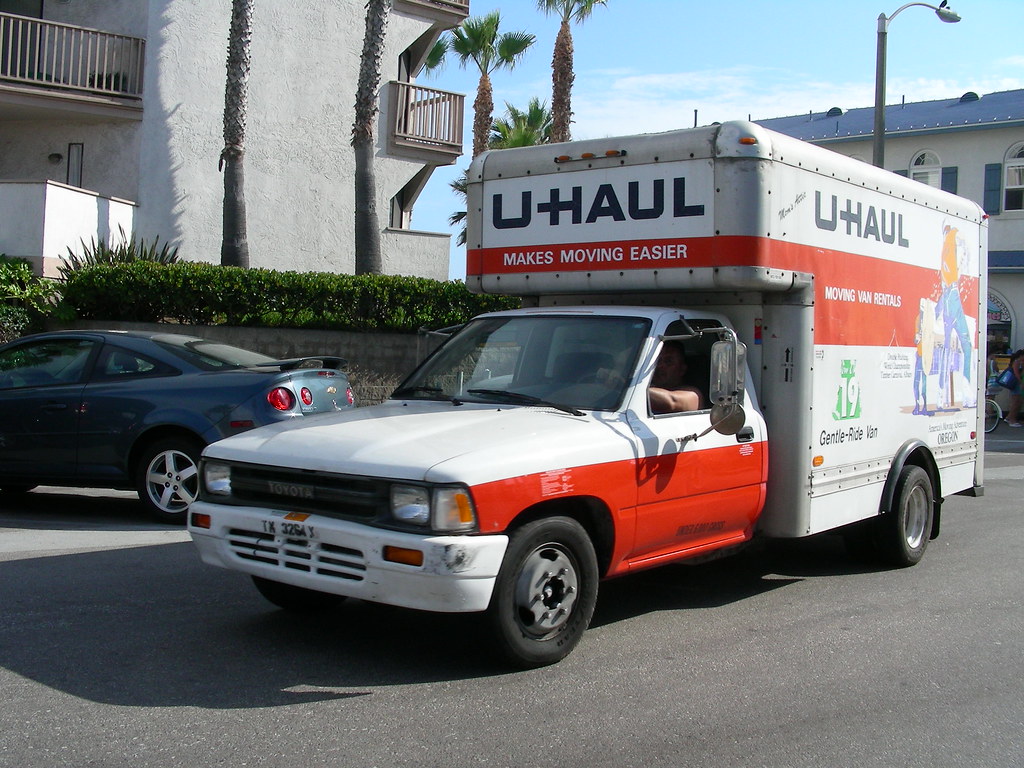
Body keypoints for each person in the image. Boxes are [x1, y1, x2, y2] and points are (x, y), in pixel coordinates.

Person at [649, 341, 705, 414]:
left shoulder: (692, 394)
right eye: (658, 361)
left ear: (682, 369)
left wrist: (634, 389)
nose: (660, 366)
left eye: (668, 361)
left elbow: (671, 402)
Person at [1005, 349, 1024, 427]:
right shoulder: (1016, 362)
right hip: (1016, 384)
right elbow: (1016, 373)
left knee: (1017, 402)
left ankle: (1009, 417)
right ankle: (1012, 420)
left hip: (1016, 384)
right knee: (1016, 402)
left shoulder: (1020, 363)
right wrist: (1021, 382)